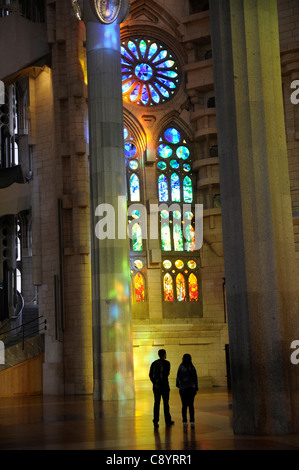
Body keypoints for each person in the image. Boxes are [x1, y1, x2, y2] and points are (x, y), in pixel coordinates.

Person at [149, 349, 175, 428]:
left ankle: (155, 421)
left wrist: (155, 383)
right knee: (166, 404)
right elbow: (166, 374)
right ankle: (168, 421)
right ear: (164, 355)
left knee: (156, 404)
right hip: (164, 386)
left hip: (156, 387)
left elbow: (150, 374)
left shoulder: (154, 363)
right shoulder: (167, 363)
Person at [176, 353, 198, 428]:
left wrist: (178, 385)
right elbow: (195, 377)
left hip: (183, 388)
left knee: (184, 405)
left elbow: (178, 377)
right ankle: (192, 421)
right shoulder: (192, 367)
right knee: (191, 405)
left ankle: (184, 421)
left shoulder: (181, 367)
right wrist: (196, 387)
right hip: (191, 388)